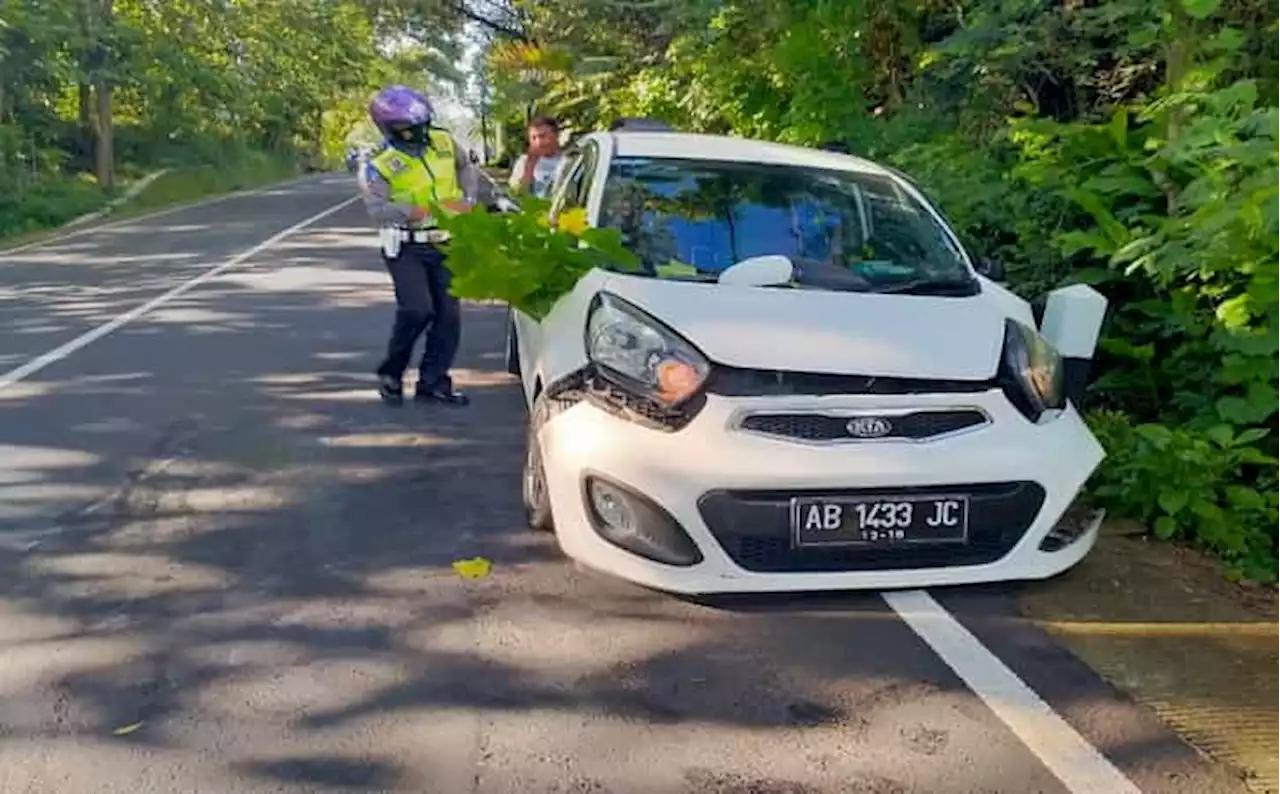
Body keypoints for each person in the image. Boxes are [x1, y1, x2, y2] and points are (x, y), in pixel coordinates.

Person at [358, 84, 491, 407]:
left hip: (446, 242)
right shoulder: (380, 162)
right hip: (406, 245)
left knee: (448, 316)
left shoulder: (444, 142)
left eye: (423, 124)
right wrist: (413, 211)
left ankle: (433, 381)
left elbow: (465, 166)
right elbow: (377, 208)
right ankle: (391, 372)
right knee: (417, 309)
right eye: (410, 128)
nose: (420, 132)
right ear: (390, 129)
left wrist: (468, 198)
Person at [508, 115, 564, 199]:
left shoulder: (570, 159)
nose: (538, 142)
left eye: (542, 136)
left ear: (556, 135)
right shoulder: (524, 161)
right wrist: (530, 165)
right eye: (533, 138)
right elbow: (516, 194)